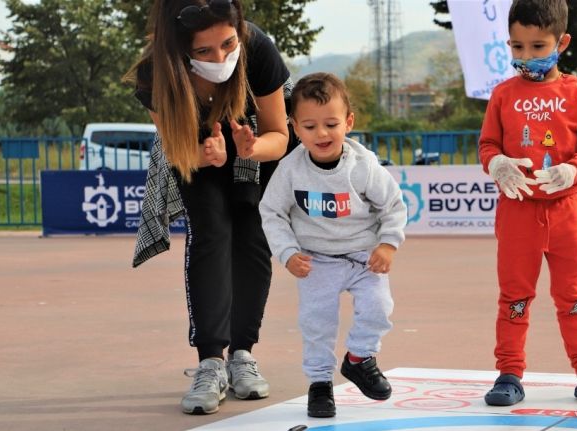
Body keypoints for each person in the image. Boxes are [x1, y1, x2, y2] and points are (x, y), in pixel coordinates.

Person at [124, 0, 291, 415]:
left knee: (252, 238)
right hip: (197, 152)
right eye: (205, 52)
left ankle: (243, 356)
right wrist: (208, 155)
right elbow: (177, 150)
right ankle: (211, 361)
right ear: (182, 50)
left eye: (227, 44)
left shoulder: (258, 49)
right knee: (211, 234)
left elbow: (279, 135)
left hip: (258, 149)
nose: (221, 57)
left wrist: (250, 148)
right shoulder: (154, 74)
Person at [478, 0, 577, 406]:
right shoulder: (503, 94)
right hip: (517, 213)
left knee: (573, 295)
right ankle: (509, 374)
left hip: (565, 213)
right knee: (514, 296)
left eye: (538, 47)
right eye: (517, 46)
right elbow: (487, 143)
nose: (527, 56)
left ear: (562, 42)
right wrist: (497, 163)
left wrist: (573, 171)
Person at [259, 73, 407, 418]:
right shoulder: (290, 170)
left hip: (362, 257)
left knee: (379, 306)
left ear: (348, 122)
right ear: (295, 127)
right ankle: (320, 384)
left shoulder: (363, 166)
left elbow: (394, 205)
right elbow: (271, 211)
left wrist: (388, 244)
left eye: (331, 124)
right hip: (316, 262)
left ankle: (359, 358)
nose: (321, 134)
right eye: (309, 126)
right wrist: (288, 252)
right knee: (317, 325)